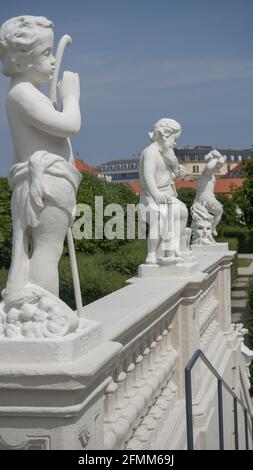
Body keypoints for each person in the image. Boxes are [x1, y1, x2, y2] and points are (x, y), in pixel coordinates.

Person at [0, 16, 81, 312]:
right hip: (46, 185)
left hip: (45, 182)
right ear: (20, 62)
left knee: (48, 251)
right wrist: (71, 98)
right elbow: (69, 125)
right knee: (47, 252)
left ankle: (42, 310)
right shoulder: (21, 93)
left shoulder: (23, 94)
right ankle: (45, 312)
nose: (51, 62)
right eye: (45, 54)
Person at [139, 118, 188, 265]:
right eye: (174, 139)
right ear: (164, 135)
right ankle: (152, 253)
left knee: (182, 211)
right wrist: (155, 193)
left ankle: (174, 246)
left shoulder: (164, 154)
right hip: (151, 195)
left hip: (166, 194)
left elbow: (165, 177)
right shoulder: (150, 152)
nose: (175, 143)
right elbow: (148, 175)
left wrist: (177, 175)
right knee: (159, 221)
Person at [194, 150, 224, 236]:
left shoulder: (211, 174)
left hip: (209, 197)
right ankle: (212, 228)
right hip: (204, 197)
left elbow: (221, 163)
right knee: (219, 211)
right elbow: (210, 167)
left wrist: (219, 156)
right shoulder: (205, 172)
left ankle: (211, 228)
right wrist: (214, 157)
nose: (217, 168)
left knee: (219, 212)